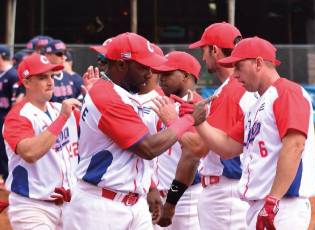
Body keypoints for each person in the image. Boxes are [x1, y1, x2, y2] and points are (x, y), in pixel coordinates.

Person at [169, 36, 315, 229]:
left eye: (239, 67)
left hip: (283, 206)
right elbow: (227, 146)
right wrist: (199, 122)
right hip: (261, 205)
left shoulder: (287, 92)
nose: (235, 74)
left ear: (258, 63)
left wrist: (273, 200)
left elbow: (295, 145)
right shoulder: (256, 106)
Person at [62, 32, 196, 230]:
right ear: (122, 65)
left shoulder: (124, 95)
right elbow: (147, 148)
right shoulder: (105, 95)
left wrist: (149, 187)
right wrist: (189, 119)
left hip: (135, 203)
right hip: (101, 206)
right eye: (143, 67)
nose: (150, 74)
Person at [170, 22, 258, 230]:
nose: (203, 57)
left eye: (204, 50)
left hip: (226, 190)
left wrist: (171, 120)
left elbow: (200, 148)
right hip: (235, 186)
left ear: (215, 50)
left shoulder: (230, 91)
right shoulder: (242, 88)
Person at [2, 53, 81, 229]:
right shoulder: (18, 117)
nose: (50, 81)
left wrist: (93, 95)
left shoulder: (60, 109)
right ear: (27, 82)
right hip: (32, 207)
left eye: (51, 76)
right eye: (42, 77)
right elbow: (30, 153)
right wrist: (62, 118)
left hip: (70, 206)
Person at [151, 51, 205, 229]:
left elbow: (192, 158)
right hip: (155, 196)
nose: (161, 78)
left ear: (186, 76)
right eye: (160, 73)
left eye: (168, 73)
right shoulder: (162, 102)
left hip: (184, 197)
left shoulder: (199, 109)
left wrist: (171, 203)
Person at [0, 45, 19, 187]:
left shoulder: (13, 75)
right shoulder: (3, 74)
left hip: (7, 120)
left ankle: (9, 183)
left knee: (6, 155)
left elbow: (17, 102)